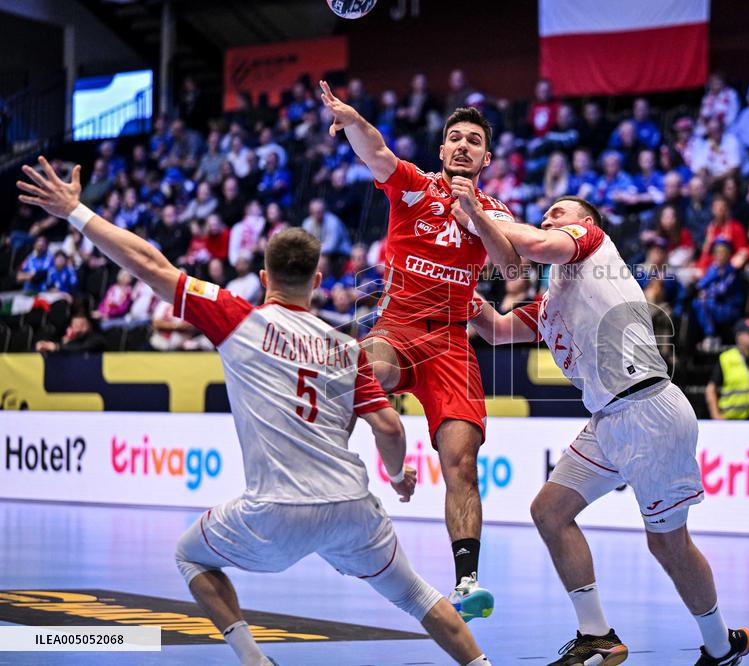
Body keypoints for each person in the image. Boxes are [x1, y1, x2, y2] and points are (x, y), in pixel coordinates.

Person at [16, 156, 493, 666]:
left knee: (188, 555)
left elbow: (150, 265)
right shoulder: (346, 349)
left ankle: (253, 660)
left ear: (264, 275)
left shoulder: (237, 319)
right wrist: (398, 476)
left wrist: (76, 212)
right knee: (419, 597)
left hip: (276, 511)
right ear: (316, 280)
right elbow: (389, 426)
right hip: (353, 509)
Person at [458, 194, 749, 666]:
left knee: (667, 543)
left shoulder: (591, 242)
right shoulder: (552, 303)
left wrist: (477, 213)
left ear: (586, 221)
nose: (551, 214)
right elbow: (495, 329)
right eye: (548, 210)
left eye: (562, 210)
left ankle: (721, 646)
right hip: (608, 421)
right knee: (549, 511)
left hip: (649, 410)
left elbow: (533, 243)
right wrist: (457, 293)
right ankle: (596, 635)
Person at [318, 80, 520, 621]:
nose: (462, 146)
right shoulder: (413, 187)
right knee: (366, 372)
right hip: (400, 326)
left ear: (486, 157)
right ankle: (330, 506)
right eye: (455, 137)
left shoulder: (496, 210)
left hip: (453, 342)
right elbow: (376, 151)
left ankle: (466, 582)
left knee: (462, 463)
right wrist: (353, 119)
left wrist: (474, 213)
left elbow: (512, 267)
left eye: (473, 141)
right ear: (441, 149)